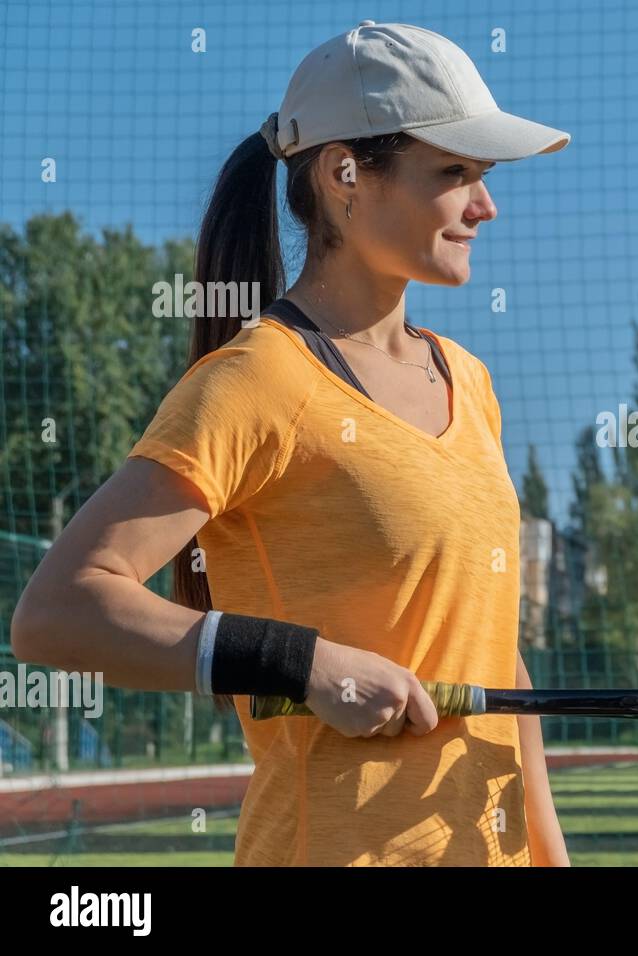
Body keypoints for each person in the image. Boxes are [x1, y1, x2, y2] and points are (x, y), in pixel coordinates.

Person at [12, 21, 571, 866]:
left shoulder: (471, 380)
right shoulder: (256, 382)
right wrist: (301, 664)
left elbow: (498, 658)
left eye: (482, 176)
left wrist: (548, 853)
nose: (484, 204)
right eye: (454, 173)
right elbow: (57, 613)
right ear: (345, 173)